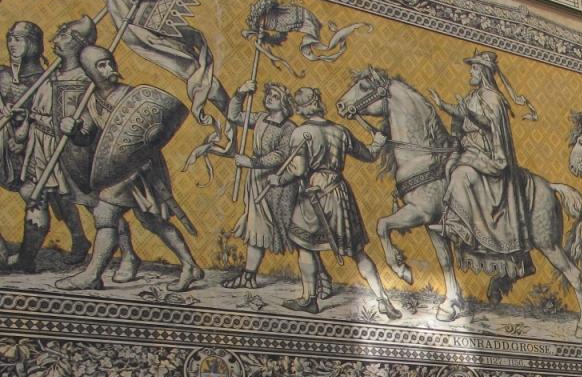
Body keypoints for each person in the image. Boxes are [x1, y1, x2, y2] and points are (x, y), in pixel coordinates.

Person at [55, 45, 199, 291]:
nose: (109, 68)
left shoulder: (131, 96)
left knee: (130, 217)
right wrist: (73, 130)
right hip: (118, 170)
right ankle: (189, 265)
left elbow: (149, 129)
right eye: (101, 65)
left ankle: (92, 275)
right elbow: (85, 137)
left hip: (142, 169)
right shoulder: (90, 102)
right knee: (139, 219)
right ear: (89, 71)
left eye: (109, 62)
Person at [268, 86, 400, 319]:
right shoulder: (340, 131)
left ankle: (309, 299)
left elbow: (298, 170)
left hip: (314, 194)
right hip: (339, 194)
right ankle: (382, 299)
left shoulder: (301, 132)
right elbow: (369, 154)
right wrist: (378, 142)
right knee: (358, 253)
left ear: (301, 108)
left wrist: (278, 179)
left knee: (305, 246)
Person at [430, 50, 535, 284]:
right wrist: (442, 105)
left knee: (461, 175)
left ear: (485, 73)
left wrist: (470, 113)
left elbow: (491, 123)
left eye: (475, 68)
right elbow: (461, 113)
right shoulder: (474, 95)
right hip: (470, 151)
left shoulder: (493, 98)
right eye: (472, 68)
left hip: (488, 156)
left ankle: (458, 225)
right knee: (447, 166)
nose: (471, 72)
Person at [3, 19, 93, 271]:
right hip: (31, 143)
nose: (12, 44)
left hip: (53, 145)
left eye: (19, 39)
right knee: (50, 195)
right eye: (10, 38)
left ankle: (28, 258)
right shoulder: (22, 74)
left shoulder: (59, 76)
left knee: (47, 195)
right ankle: (77, 240)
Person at [223, 79, 327, 297]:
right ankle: (249, 276)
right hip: (258, 181)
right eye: (269, 94)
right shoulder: (260, 118)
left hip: (281, 184)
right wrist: (240, 93)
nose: (269, 98)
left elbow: (281, 155)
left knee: (294, 232)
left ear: (285, 103)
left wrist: (252, 162)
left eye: (276, 96)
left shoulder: (290, 129)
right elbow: (234, 116)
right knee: (257, 228)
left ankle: (322, 278)